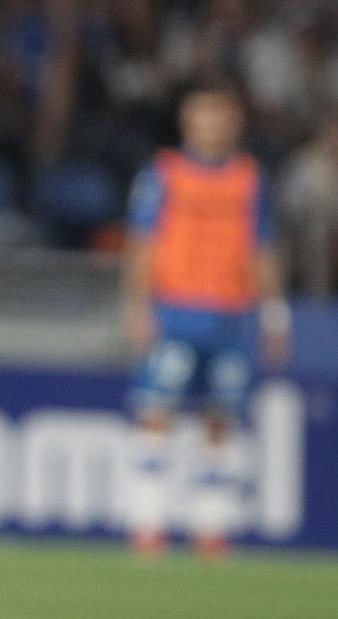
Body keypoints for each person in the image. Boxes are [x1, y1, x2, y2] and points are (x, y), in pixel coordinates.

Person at [121, 84, 289, 557]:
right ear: (187, 123)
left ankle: (211, 524)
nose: (212, 126)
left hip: (232, 314)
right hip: (174, 310)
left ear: (234, 123)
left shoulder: (249, 179)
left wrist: (275, 317)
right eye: (203, 117)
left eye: (221, 117)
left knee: (223, 416)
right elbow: (142, 243)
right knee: (157, 410)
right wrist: (137, 307)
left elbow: (264, 249)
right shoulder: (165, 174)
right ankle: (148, 521)